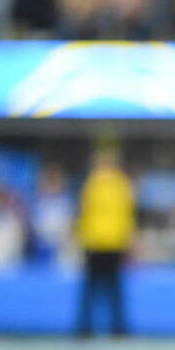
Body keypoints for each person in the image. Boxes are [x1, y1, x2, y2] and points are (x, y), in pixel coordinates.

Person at [75, 144, 136, 336]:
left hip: (103, 244)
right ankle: (113, 329)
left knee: (100, 290)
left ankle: (93, 328)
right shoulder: (120, 184)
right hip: (106, 243)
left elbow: (84, 214)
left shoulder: (94, 184)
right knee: (106, 290)